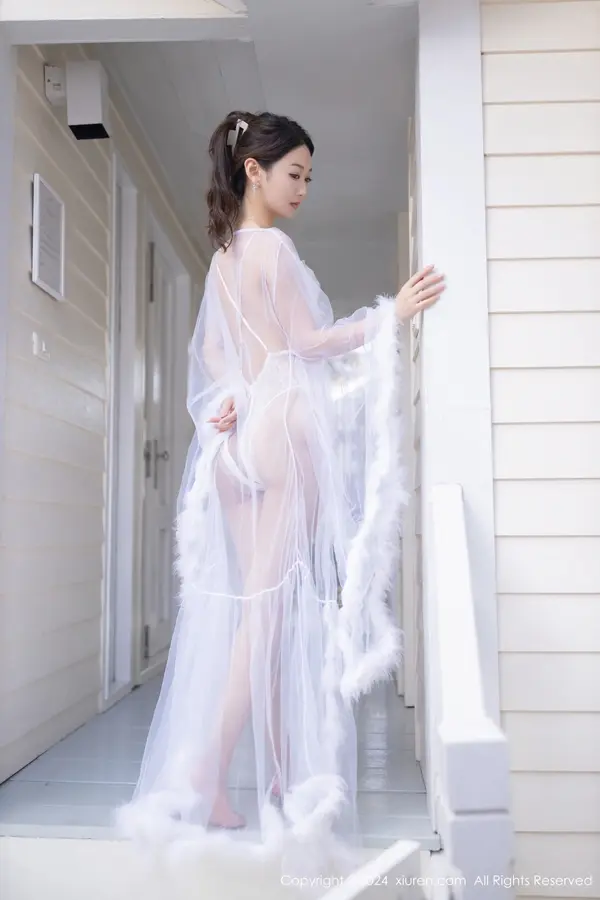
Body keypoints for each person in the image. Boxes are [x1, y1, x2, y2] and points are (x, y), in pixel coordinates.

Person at [118, 111, 445, 873]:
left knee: (255, 616)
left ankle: (266, 769)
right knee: (268, 617)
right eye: (293, 173)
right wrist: (389, 315)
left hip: (238, 442)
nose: (302, 188)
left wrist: (230, 400)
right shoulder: (271, 248)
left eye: (308, 177)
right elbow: (307, 343)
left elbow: (211, 355)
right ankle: (208, 773)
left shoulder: (223, 258)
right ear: (253, 171)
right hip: (287, 432)